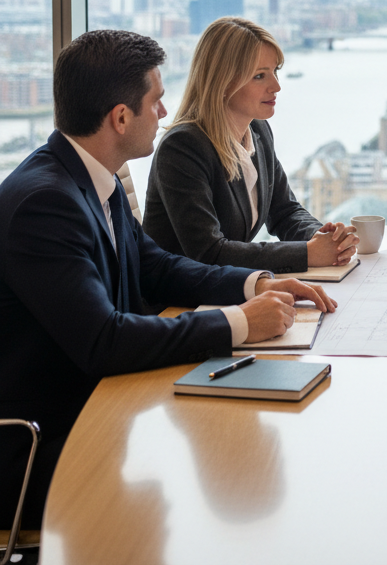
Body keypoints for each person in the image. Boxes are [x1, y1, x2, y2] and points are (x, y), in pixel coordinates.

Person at [0, 29, 335, 528]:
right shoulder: (44, 203)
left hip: (105, 409)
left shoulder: (92, 178)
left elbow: (156, 266)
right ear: (119, 117)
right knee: (220, 492)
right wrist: (238, 323)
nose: (164, 112)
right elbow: (103, 339)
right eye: (155, 101)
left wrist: (256, 284)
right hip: (46, 449)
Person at [144, 17, 357, 272]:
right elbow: (209, 252)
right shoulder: (182, 148)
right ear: (222, 82)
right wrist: (307, 253)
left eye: (274, 71)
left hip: (226, 290)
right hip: (177, 303)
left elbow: (284, 211)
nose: (276, 86)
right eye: (259, 76)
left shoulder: (257, 130)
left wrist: (323, 238)